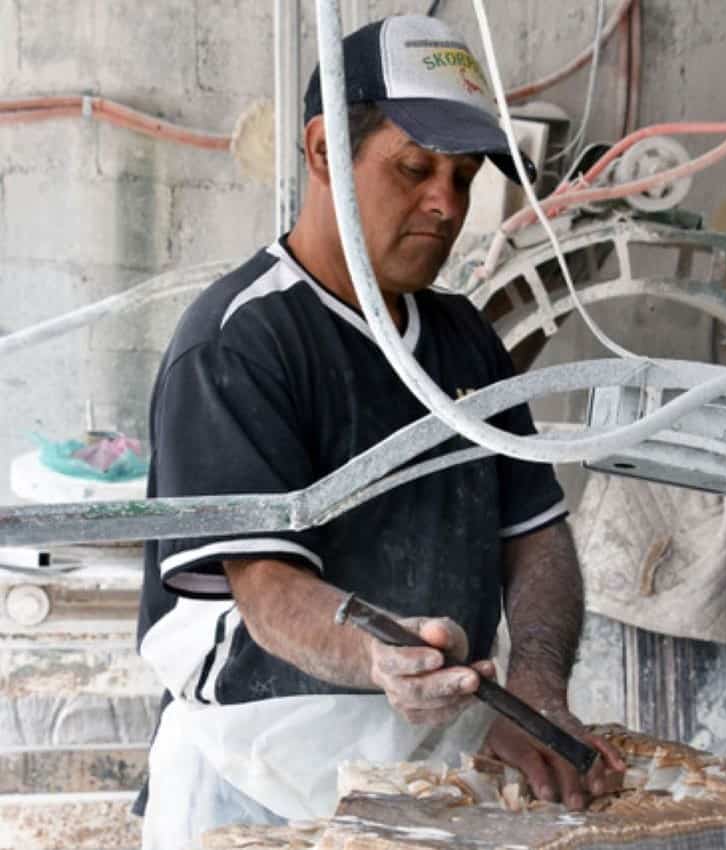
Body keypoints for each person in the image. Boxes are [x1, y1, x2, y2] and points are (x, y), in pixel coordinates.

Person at [135, 13, 624, 849]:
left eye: (464, 177)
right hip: (262, 768)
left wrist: (537, 691)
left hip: (429, 750)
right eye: (414, 168)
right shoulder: (241, 340)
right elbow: (266, 588)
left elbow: (534, 534)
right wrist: (378, 659)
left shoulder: (465, 336)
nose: (447, 202)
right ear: (325, 151)